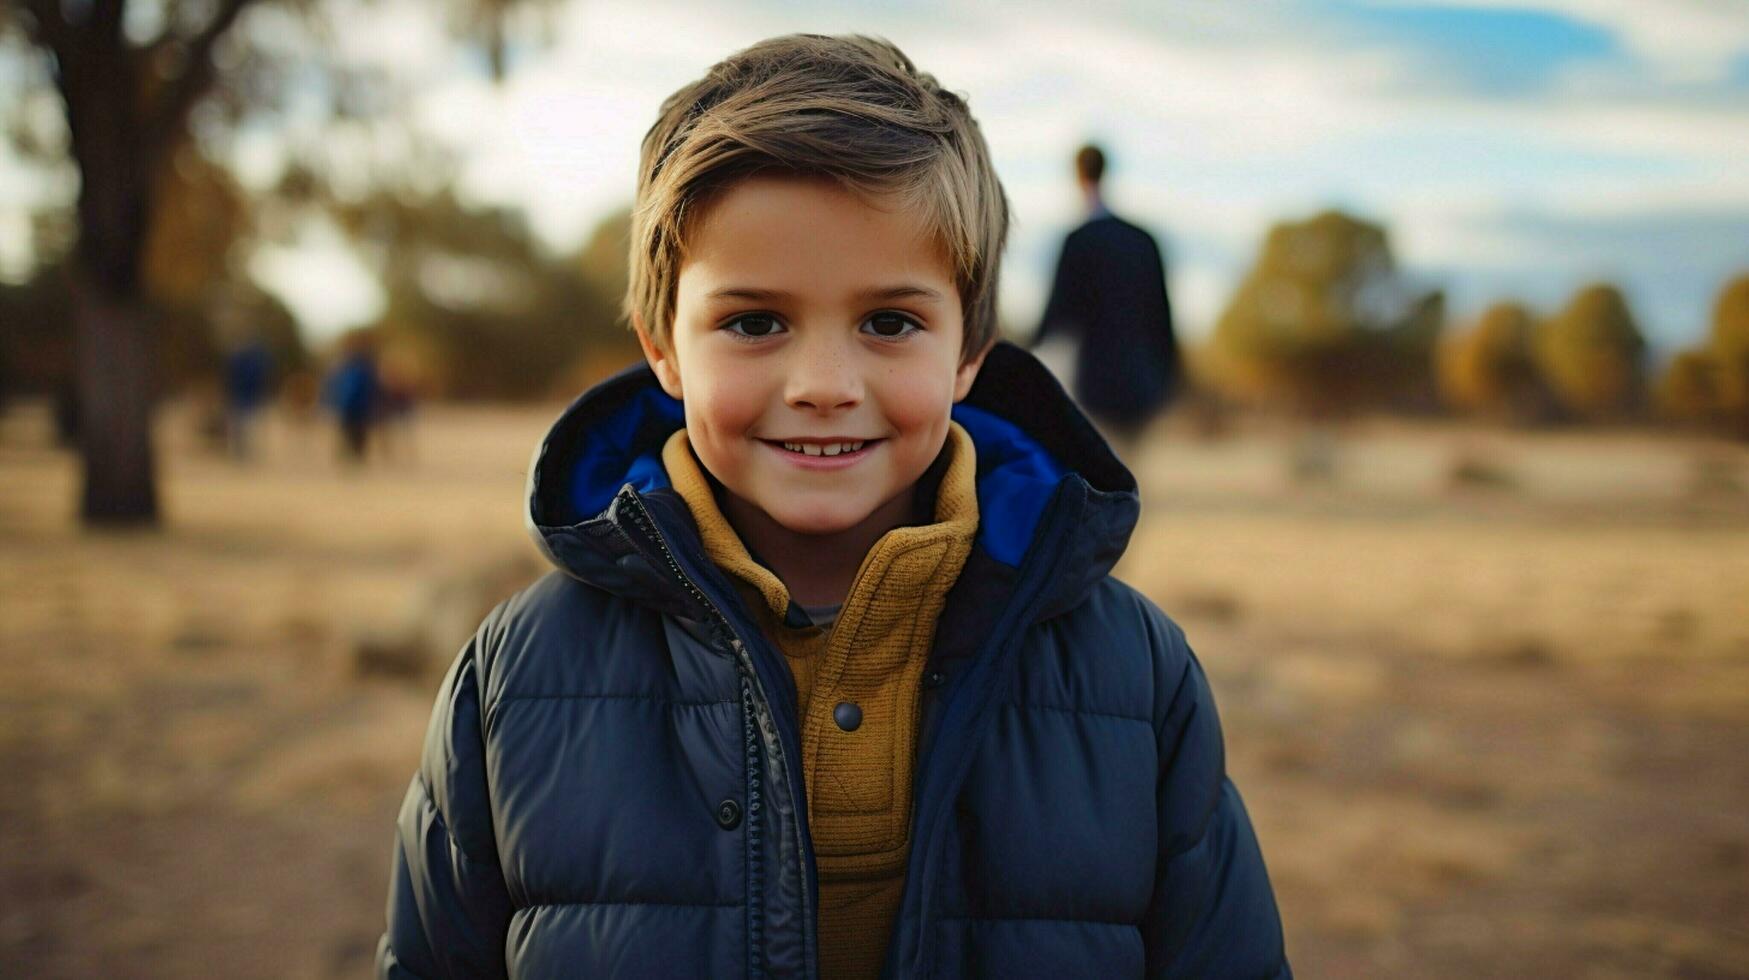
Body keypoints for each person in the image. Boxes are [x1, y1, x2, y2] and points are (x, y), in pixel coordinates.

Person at [376, 34, 1288, 979]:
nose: (822, 384)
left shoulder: (1136, 680)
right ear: (664, 351)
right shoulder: (515, 680)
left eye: (889, 323)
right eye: (753, 322)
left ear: (970, 354)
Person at [1034, 143, 1182, 454]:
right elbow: (1163, 316)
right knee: (1132, 478)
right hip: (1144, 382)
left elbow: (1057, 315)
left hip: (1097, 385)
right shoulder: (1144, 241)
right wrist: (1171, 378)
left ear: (1077, 175)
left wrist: (1015, 351)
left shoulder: (1079, 241)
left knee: (1107, 481)